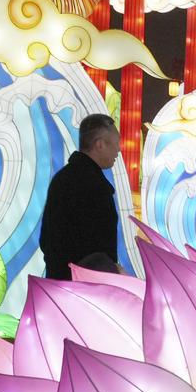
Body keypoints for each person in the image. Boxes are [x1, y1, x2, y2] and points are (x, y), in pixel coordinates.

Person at [39, 113, 121, 281]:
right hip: (87, 286)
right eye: (115, 143)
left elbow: (47, 240)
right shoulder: (95, 186)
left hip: (59, 281)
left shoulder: (62, 178)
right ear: (99, 144)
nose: (118, 149)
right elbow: (101, 248)